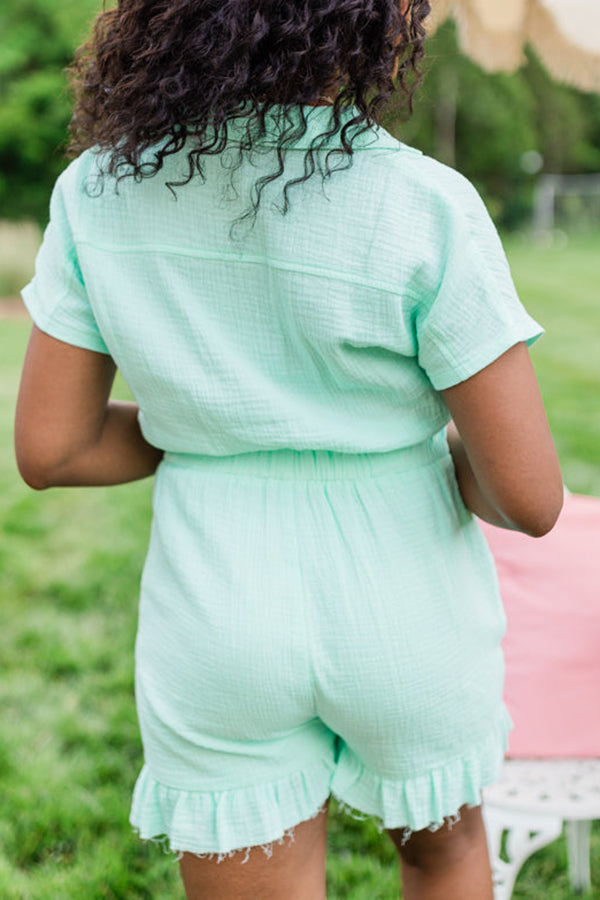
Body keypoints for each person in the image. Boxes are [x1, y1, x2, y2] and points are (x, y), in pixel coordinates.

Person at [14, 0, 563, 896]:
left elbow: (52, 450)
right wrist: (430, 448)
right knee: (444, 853)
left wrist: (205, 430)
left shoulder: (99, 190)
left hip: (215, 598)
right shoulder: (423, 202)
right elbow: (530, 499)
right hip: (406, 597)